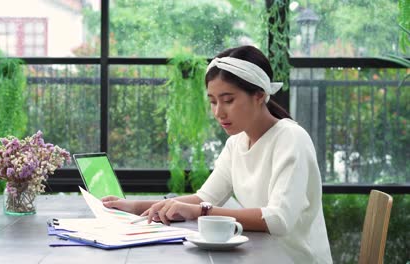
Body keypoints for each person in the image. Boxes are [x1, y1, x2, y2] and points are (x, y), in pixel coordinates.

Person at [102, 45, 332, 263]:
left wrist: (197, 212)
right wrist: (135, 207)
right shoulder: (236, 143)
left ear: (259, 95)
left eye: (228, 100)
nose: (218, 112)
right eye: (213, 102)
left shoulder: (291, 138)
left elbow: (278, 220)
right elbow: (204, 198)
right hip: (257, 256)